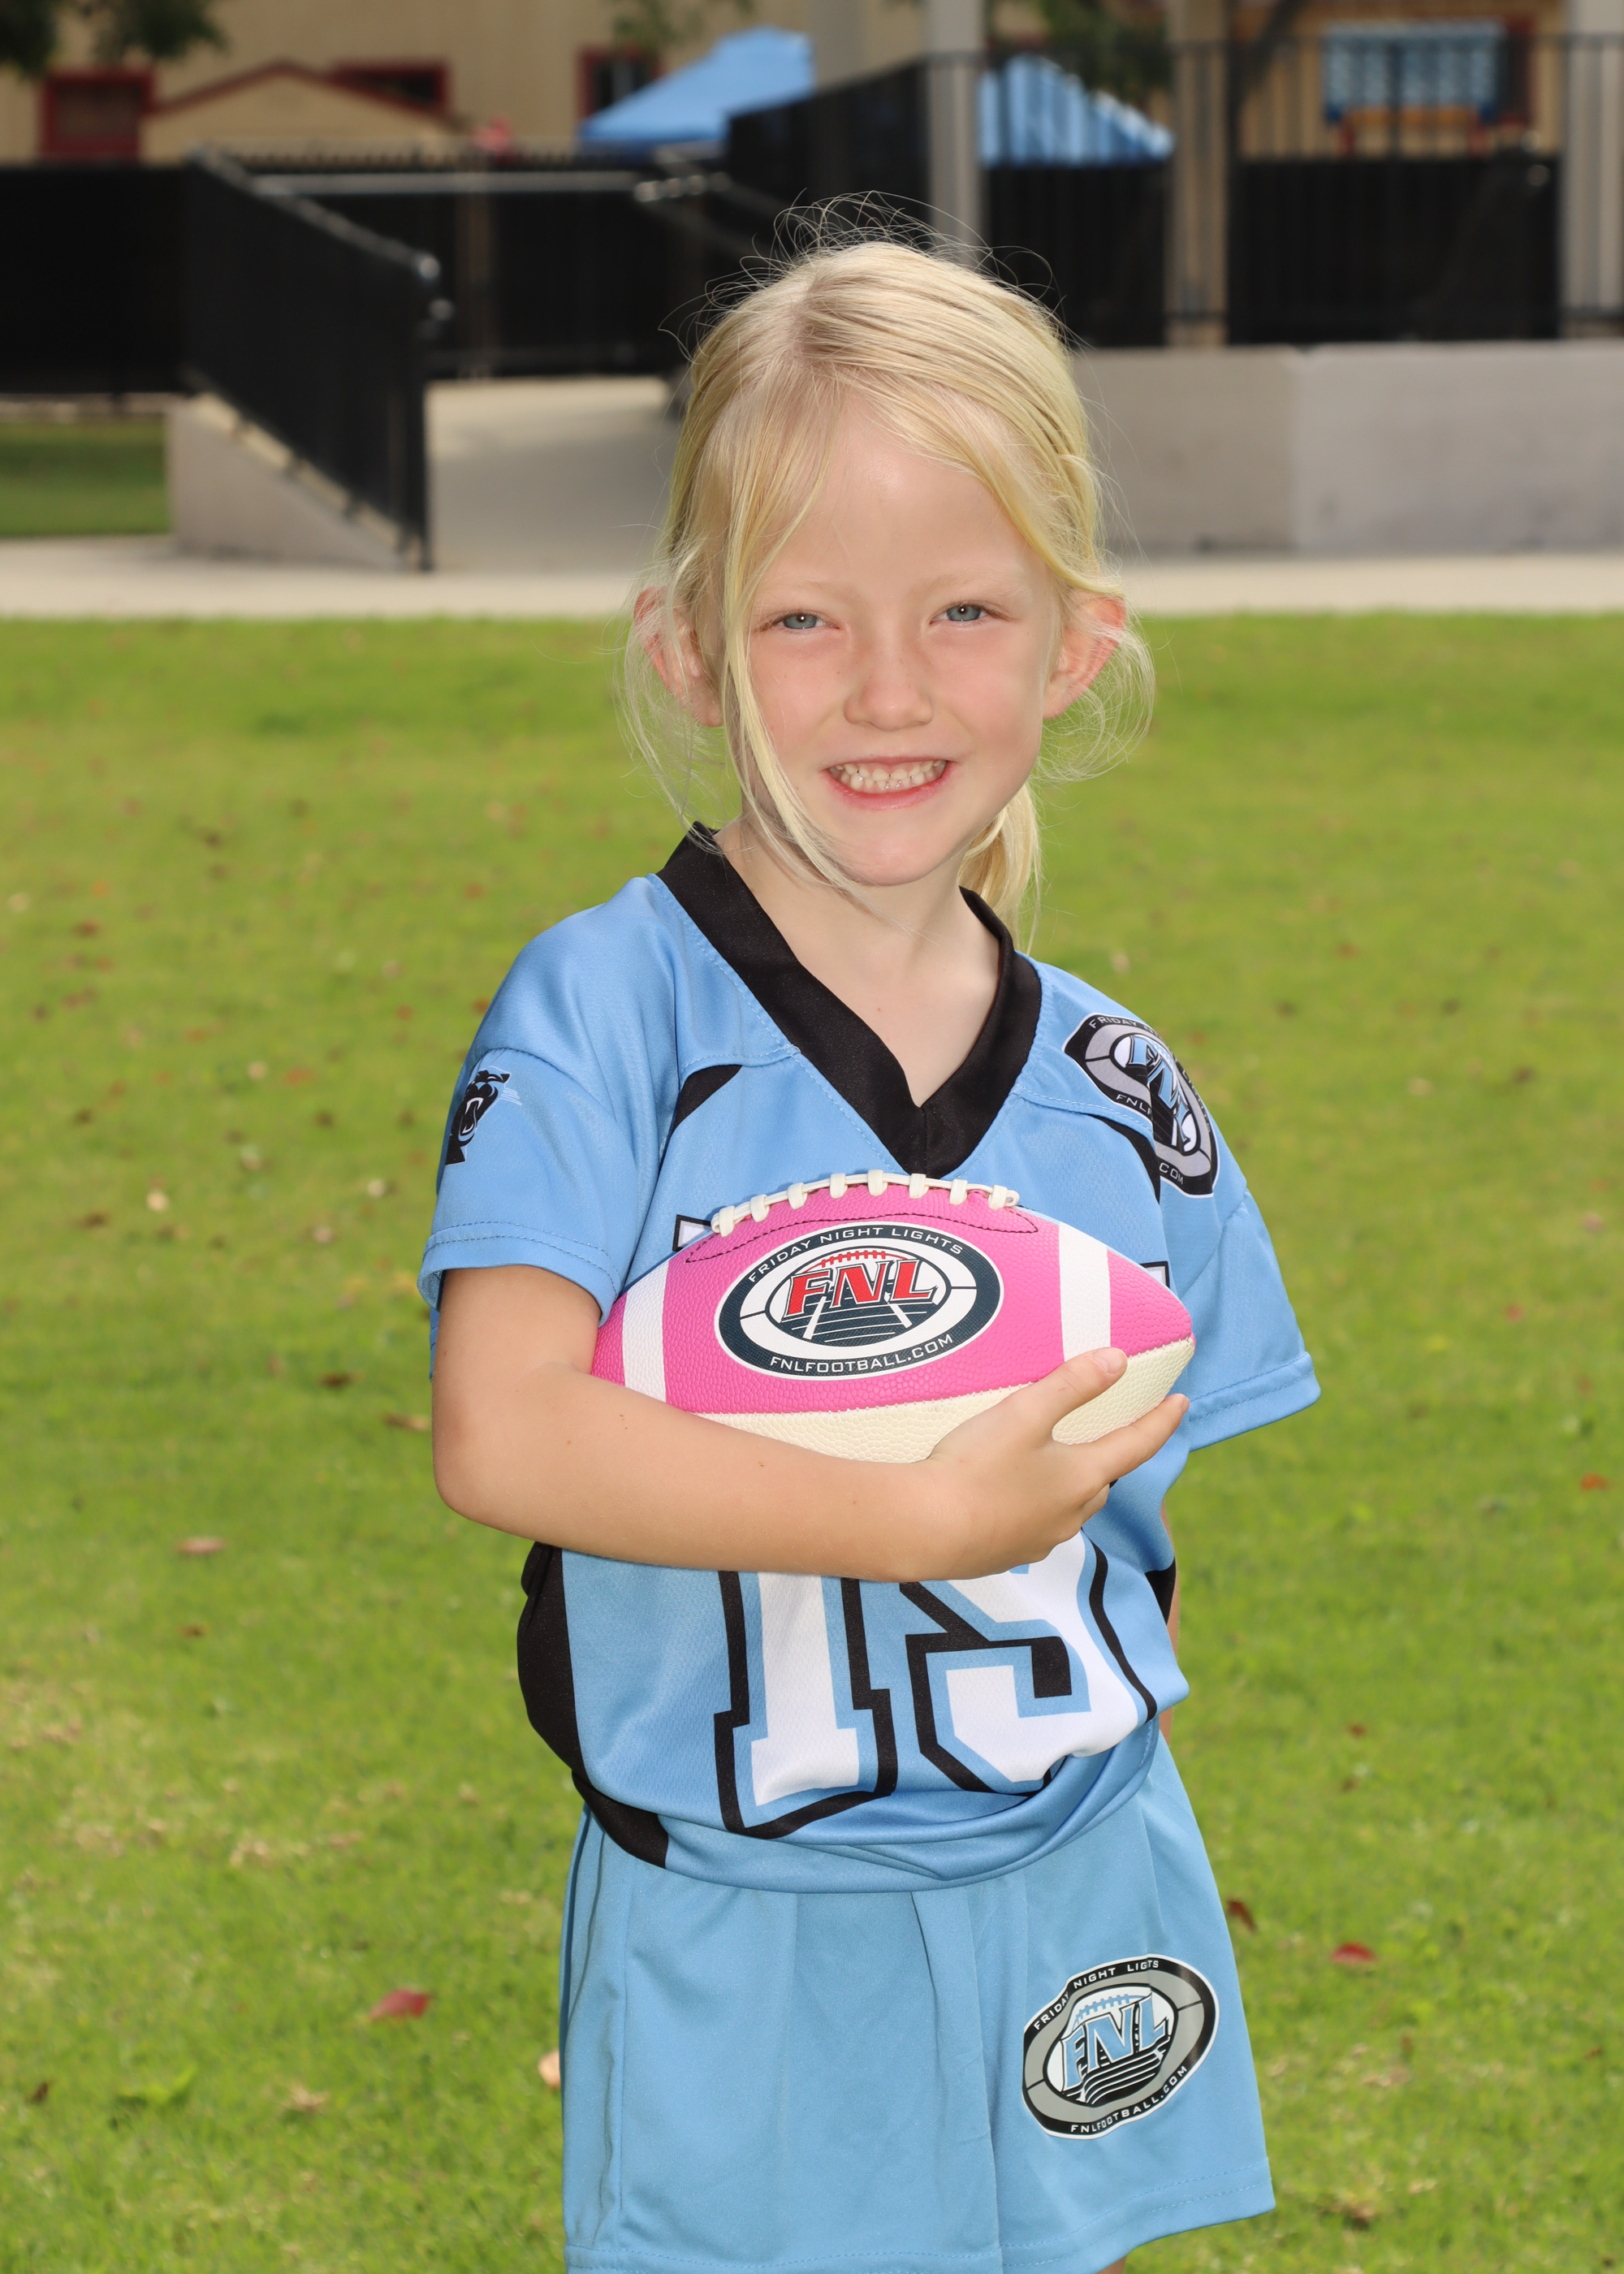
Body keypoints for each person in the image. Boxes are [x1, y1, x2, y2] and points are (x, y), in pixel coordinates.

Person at [421, 236, 1318, 2274]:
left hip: (1074, 1880)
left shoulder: (1113, 1077)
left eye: (963, 609)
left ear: (1075, 643)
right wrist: (912, 1516)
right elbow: (500, 1428)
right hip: (747, 1915)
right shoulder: (604, 1012)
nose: (888, 687)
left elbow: (1140, 1521)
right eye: (804, 615)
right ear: (689, 649)